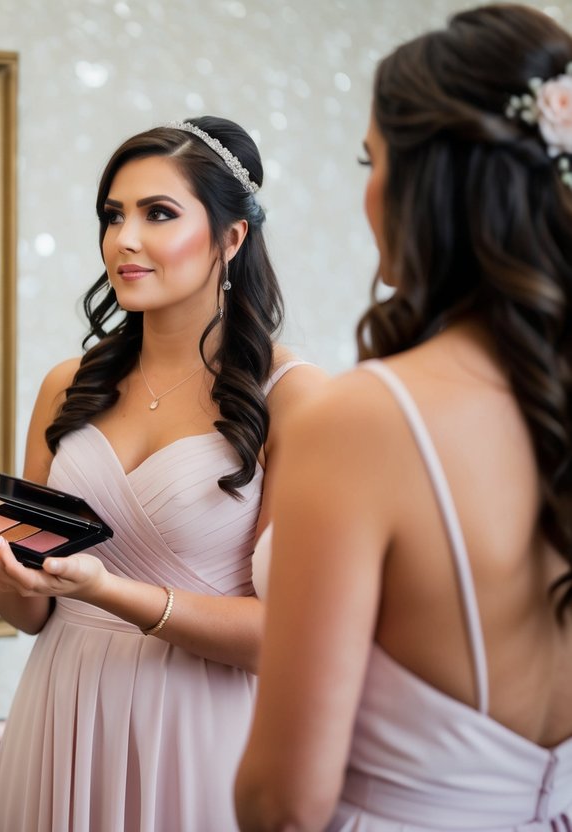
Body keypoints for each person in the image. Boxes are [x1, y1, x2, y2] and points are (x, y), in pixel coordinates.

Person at [235, 5, 572, 830]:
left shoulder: (364, 420)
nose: (367, 191)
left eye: (369, 159)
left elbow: (284, 803)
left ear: (425, 183)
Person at [0, 119, 324, 831]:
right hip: (62, 709)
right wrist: (0, 573)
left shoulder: (295, 395)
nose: (122, 240)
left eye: (157, 213)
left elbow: (283, 635)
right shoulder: (66, 384)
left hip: (199, 722)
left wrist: (107, 588)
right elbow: (32, 616)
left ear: (230, 238)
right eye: (112, 215)